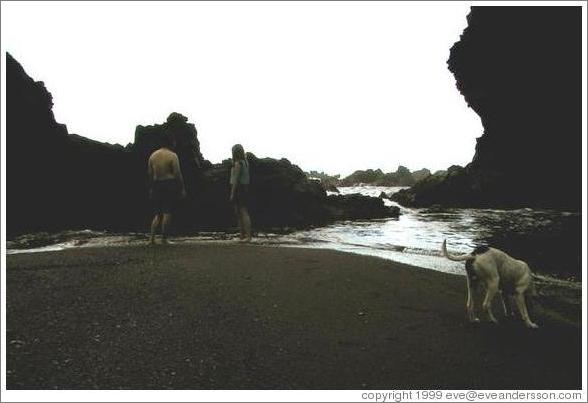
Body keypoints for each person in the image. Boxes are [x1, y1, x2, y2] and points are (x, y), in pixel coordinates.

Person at [148, 132, 186, 244]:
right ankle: (164, 239)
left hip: (156, 184)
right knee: (167, 212)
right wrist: (182, 188)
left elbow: (150, 173)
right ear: (171, 142)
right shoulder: (172, 155)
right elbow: (177, 173)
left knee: (157, 213)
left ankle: (152, 239)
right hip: (169, 184)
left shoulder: (153, 155)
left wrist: (151, 188)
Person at [229, 144, 252, 242]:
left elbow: (236, 180)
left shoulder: (238, 164)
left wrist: (232, 193)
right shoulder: (245, 162)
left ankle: (247, 236)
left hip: (239, 188)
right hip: (245, 187)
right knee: (240, 212)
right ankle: (243, 235)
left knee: (242, 212)